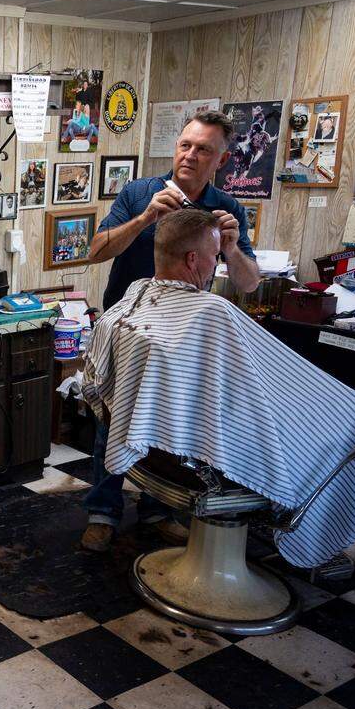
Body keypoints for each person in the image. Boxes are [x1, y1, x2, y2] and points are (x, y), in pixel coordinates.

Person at [82, 208, 355, 569]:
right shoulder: (212, 312)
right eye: (215, 256)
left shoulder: (133, 298)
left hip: (157, 457)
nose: (216, 264)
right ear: (193, 260)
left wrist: (230, 248)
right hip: (197, 463)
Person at [80, 109, 260, 552]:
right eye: (185, 145)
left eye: (203, 150)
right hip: (129, 330)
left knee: (172, 424)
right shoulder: (139, 192)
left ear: (221, 160)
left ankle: (159, 509)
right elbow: (96, 252)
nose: (190, 155)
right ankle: (103, 511)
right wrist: (143, 219)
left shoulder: (228, 208)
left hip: (184, 338)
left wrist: (231, 248)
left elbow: (249, 283)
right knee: (112, 418)